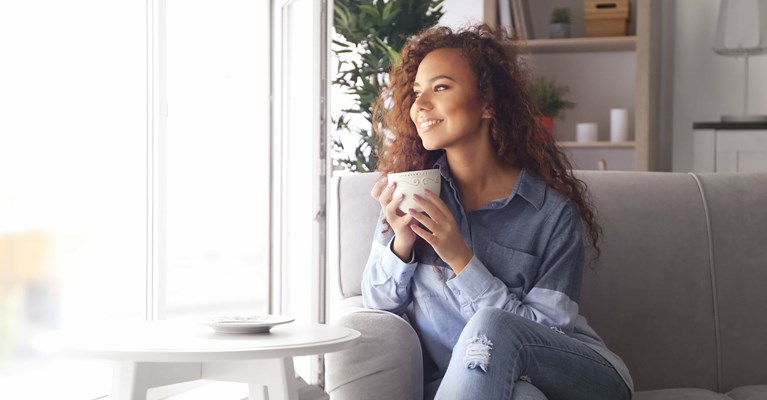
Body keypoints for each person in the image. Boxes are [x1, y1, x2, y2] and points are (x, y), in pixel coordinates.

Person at [361, 24, 634, 400]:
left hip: (582, 377)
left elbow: (545, 336)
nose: (419, 106)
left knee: (493, 325)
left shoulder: (550, 214)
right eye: (417, 92)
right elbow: (377, 307)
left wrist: (459, 258)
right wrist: (402, 243)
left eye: (440, 88)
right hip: (480, 387)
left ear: (487, 102)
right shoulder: (413, 194)